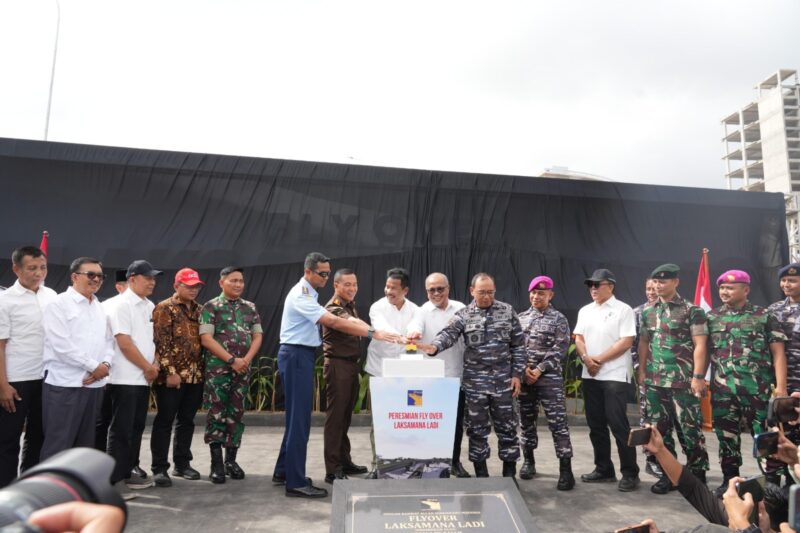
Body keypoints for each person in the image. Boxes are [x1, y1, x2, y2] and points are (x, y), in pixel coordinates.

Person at [272, 253, 402, 498]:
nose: (325, 277)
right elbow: (334, 321)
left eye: (327, 273)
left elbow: (347, 319)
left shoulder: (310, 293)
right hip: (297, 355)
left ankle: (283, 471)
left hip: (302, 355)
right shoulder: (302, 294)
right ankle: (296, 482)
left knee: (297, 420)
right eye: (322, 274)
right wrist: (374, 333)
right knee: (300, 421)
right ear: (308, 271)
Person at [420, 273, 525, 478]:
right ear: (472, 291)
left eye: (490, 292)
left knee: (508, 428)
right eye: (481, 292)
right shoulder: (464, 314)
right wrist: (434, 347)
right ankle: (482, 477)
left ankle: (509, 477)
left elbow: (519, 346)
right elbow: (448, 334)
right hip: (475, 384)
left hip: (503, 383)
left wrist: (517, 374)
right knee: (477, 430)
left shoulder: (507, 311)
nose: (486, 296)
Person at [707, 269, 787, 494]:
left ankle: (770, 483)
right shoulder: (712, 317)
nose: (725, 291)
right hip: (723, 389)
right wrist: (699, 378)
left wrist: (780, 388)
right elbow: (705, 351)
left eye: (730, 288)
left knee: (763, 437)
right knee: (726, 437)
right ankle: (729, 479)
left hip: (757, 389)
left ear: (746, 290)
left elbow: (778, 353)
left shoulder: (764, 316)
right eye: (722, 287)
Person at [638, 263, 710, 494]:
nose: (658, 286)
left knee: (690, 431)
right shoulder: (648, 312)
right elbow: (644, 342)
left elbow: (701, 345)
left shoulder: (692, 310)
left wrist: (698, 376)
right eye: (656, 282)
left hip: (683, 381)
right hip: (655, 381)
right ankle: (668, 474)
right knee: (659, 431)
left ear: (676, 282)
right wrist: (642, 372)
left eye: (664, 281)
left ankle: (697, 476)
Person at [40, 257, 114, 460]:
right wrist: (93, 366)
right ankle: (50, 491)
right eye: (91, 274)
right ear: (75, 276)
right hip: (65, 384)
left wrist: (105, 365)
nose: (96, 279)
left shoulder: (100, 307)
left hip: (93, 385)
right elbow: (61, 345)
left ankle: (75, 490)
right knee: (58, 444)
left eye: (100, 276)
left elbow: (109, 341)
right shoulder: (58, 304)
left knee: (84, 446)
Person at [574, 268, 639, 492]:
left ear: (610, 286)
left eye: (597, 284)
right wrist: (586, 359)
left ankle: (630, 472)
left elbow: (626, 342)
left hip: (614, 375)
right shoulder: (585, 310)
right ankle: (604, 469)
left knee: (618, 424)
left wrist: (597, 360)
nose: (592, 289)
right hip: (590, 373)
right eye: (590, 285)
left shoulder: (623, 309)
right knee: (596, 425)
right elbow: (579, 337)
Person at [0, 246, 57, 488]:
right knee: (7, 439)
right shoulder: (5, 300)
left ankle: (29, 489)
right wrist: (3, 385)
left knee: (39, 437)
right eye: (32, 268)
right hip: (16, 379)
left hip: (47, 377)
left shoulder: (52, 295)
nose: (38, 273)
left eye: (42, 267)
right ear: (16, 269)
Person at [200, 266, 262, 484]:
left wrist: (245, 360)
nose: (238, 284)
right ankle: (216, 463)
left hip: (242, 370)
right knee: (217, 413)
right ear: (222, 283)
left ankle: (231, 461)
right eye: (233, 280)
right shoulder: (211, 306)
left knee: (236, 413)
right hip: (219, 369)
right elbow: (207, 339)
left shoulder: (250, 307)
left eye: (241, 281)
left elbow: (257, 336)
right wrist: (231, 360)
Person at [104, 260, 162, 490]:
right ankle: (114, 480)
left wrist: (154, 365)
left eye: (153, 278)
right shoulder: (119, 305)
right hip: (123, 378)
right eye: (147, 277)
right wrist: (148, 368)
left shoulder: (149, 306)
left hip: (143, 379)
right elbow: (124, 343)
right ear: (132, 279)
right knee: (120, 430)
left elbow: (154, 341)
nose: (152, 282)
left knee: (137, 428)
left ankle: (128, 471)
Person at [406, 272, 469, 478]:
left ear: (448, 288)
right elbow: (414, 325)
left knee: (456, 423)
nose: (436, 293)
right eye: (431, 290)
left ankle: (455, 461)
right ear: (426, 291)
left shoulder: (461, 308)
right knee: (428, 423)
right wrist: (414, 333)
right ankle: (427, 464)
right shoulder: (422, 310)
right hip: (429, 379)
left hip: (456, 375)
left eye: (440, 289)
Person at [515, 275, 575, 490]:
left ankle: (566, 469)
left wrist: (539, 369)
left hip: (549, 379)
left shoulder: (559, 319)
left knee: (558, 424)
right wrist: (523, 370)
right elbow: (515, 347)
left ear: (551, 295)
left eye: (541, 293)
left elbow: (560, 348)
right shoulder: (520, 318)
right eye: (533, 292)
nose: (536, 296)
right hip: (525, 379)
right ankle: (529, 461)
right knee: (526, 421)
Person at [149, 268, 206, 487]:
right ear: (176, 286)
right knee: (164, 421)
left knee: (187, 421)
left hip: (195, 375)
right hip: (171, 377)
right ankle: (159, 468)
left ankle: (182, 464)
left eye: (196, 286)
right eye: (189, 286)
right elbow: (160, 342)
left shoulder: (201, 310)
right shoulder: (164, 308)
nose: (193, 290)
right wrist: (170, 372)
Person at [364, 267, 419, 477]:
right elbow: (382, 329)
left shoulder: (415, 309)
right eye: (387, 286)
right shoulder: (377, 307)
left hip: (405, 373)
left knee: (405, 419)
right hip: (379, 371)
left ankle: (404, 464)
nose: (388, 291)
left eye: (393, 288)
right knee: (378, 421)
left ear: (405, 290)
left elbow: (416, 325)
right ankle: (377, 466)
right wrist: (403, 337)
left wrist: (414, 332)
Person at [321, 268, 368, 483]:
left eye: (355, 284)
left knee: (345, 417)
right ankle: (332, 469)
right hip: (338, 366)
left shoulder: (350, 304)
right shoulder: (333, 307)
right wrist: (376, 332)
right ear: (336, 286)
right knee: (336, 419)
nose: (352, 289)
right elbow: (352, 324)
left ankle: (344, 461)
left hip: (349, 366)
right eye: (347, 284)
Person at [768, 262, 800, 460]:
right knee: (777, 430)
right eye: (784, 280)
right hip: (781, 381)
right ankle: (773, 479)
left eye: (793, 281)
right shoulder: (774, 309)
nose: (787, 284)